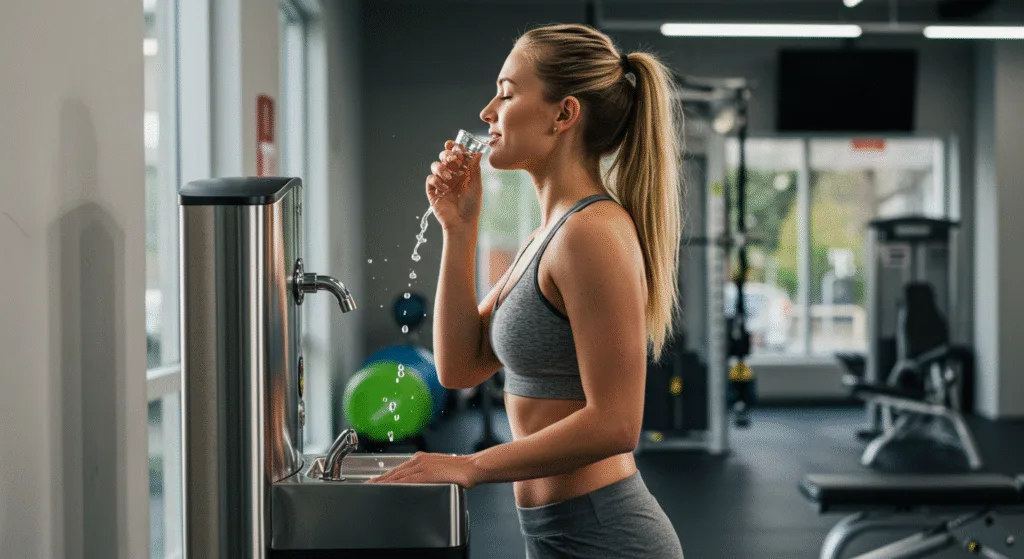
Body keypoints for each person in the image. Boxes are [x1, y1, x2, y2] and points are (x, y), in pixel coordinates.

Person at [367, 23, 685, 559]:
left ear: (563, 114)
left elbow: (616, 423)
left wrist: (470, 467)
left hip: (608, 536)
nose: (488, 112)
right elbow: (460, 366)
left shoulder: (591, 233)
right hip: (558, 530)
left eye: (507, 93)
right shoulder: (549, 233)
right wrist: (460, 229)